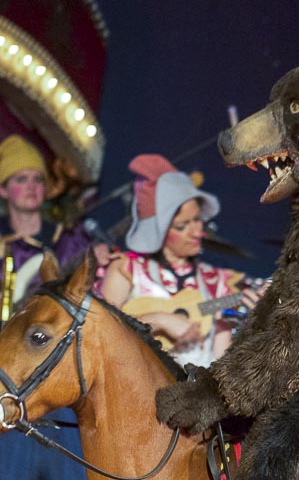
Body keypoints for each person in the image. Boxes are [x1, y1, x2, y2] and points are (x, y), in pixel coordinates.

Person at [100, 154, 260, 367]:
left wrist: (257, 309)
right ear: (159, 230)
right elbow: (101, 331)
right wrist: (159, 320)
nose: (196, 232)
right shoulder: (127, 268)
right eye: (182, 226)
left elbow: (220, 360)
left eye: (197, 220)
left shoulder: (218, 282)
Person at [0, 135, 99, 326]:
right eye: (21, 179)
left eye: (38, 179)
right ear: (2, 190)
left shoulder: (69, 239)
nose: (31, 186)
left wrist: (100, 261)